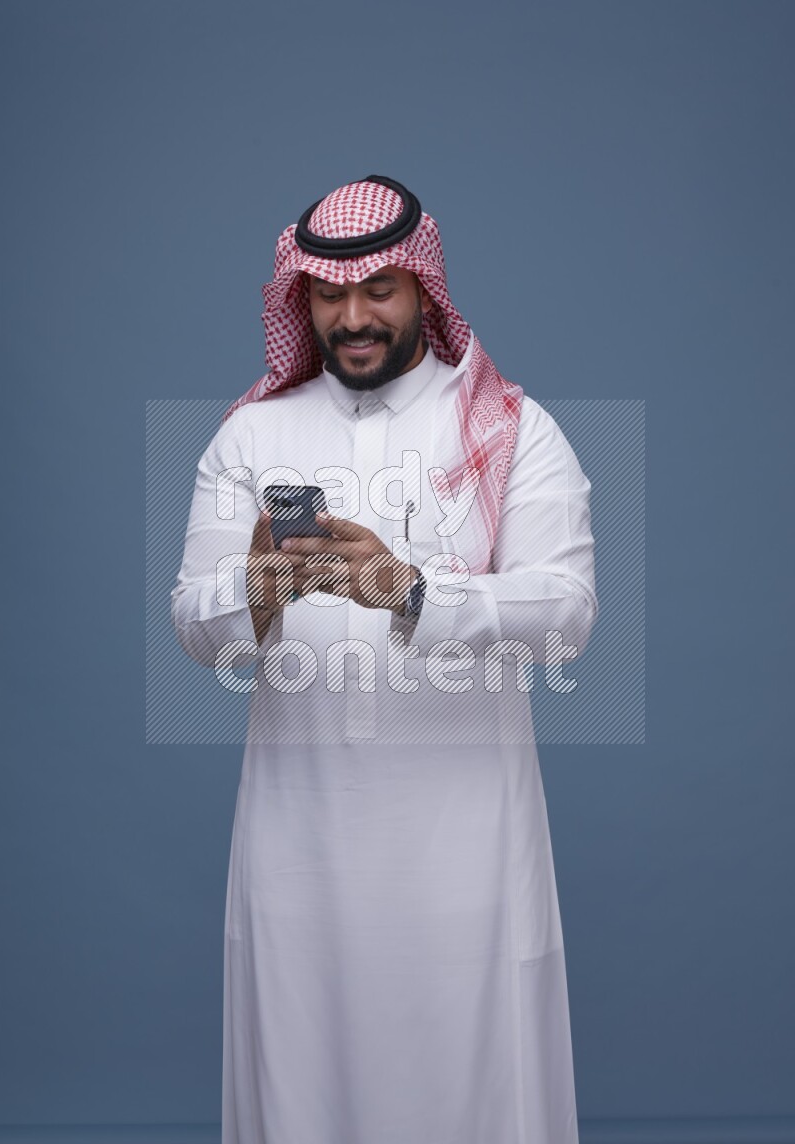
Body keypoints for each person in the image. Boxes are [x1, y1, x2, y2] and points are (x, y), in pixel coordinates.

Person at [171, 174, 598, 1144]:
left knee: (468, 1089)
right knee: (300, 1087)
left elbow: (565, 613)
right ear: (301, 299)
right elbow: (194, 624)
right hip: (298, 850)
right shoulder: (252, 434)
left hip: (466, 856)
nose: (353, 317)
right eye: (328, 295)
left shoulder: (509, 428)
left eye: (378, 292)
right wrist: (258, 592)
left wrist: (412, 591)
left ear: (423, 290)